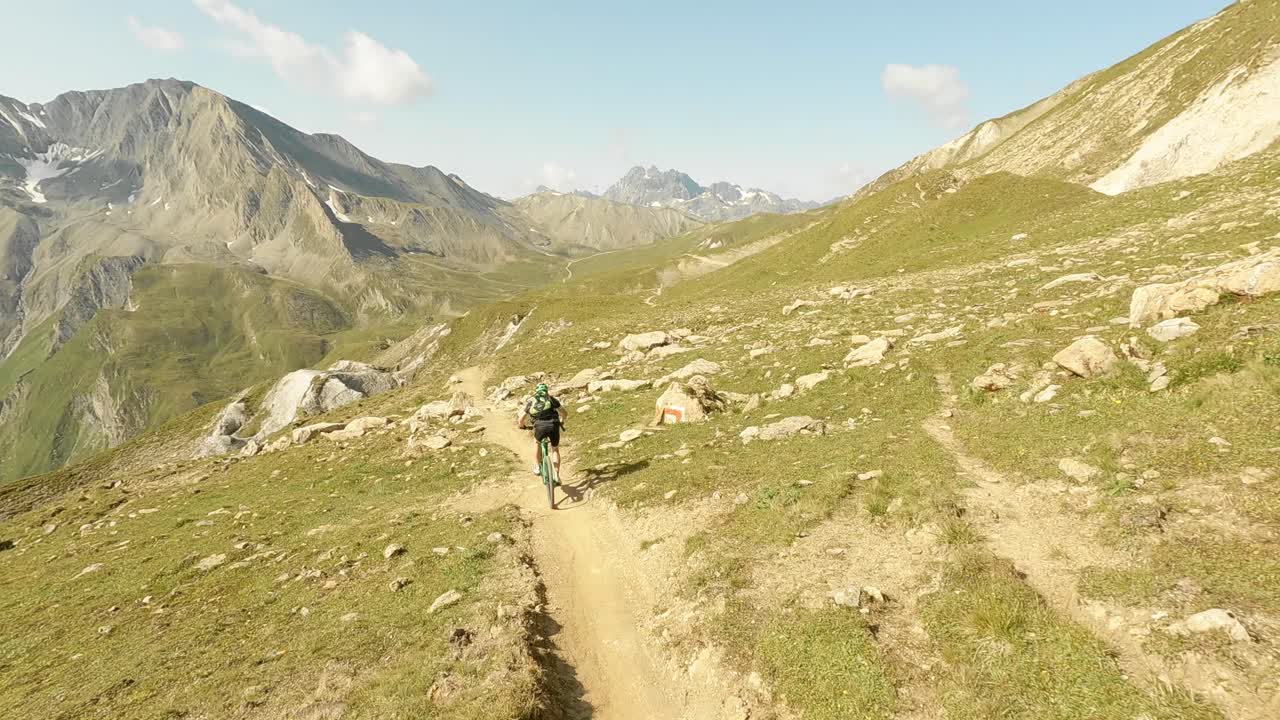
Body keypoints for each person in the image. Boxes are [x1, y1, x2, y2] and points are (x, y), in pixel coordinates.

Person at [517, 383, 567, 480]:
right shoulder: (551, 399)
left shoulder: (531, 401)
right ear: (546, 390)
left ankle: (537, 466)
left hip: (539, 426)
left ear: (536, 391)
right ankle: (556, 475)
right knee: (555, 449)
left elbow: (521, 419)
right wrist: (561, 421)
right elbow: (564, 413)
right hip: (553, 425)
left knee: (537, 442)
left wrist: (522, 426)